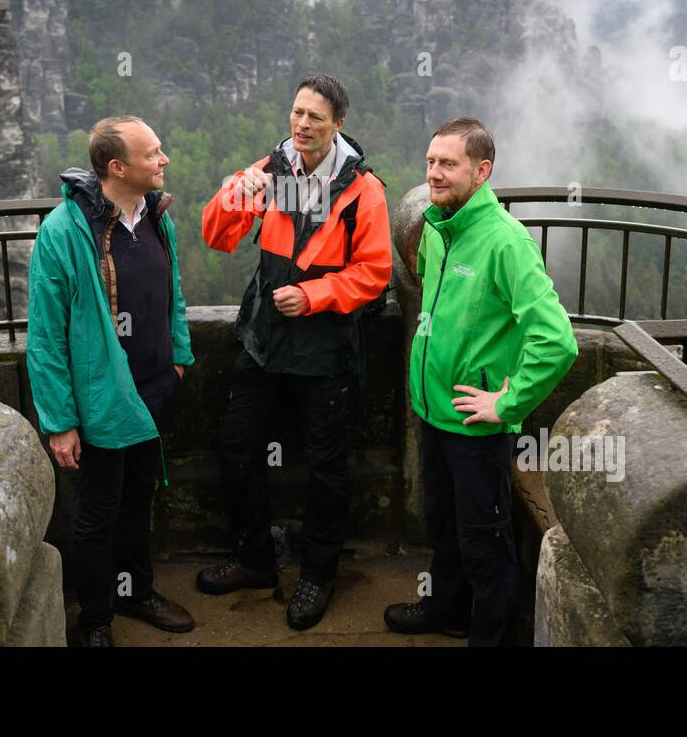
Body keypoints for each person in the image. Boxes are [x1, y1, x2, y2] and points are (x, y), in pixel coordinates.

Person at [195, 74, 392, 630]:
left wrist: (312, 296)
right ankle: (255, 559)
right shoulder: (272, 170)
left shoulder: (361, 189)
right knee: (236, 444)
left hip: (324, 346)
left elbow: (374, 274)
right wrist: (239, 191)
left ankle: (318, 574)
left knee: (326, 465)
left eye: (316, 117)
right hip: (263, 340)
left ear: (338, 125)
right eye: (297, 113)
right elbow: (217, 236)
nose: (302, 124)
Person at [383, 116, 577, 646]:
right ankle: (445, 608)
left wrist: (508, 401)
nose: (435, 174)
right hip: (432, 412)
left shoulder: (506, 242)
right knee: (442, 522)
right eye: (430, 162)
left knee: (485, 545)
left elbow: (557, 340)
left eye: (448, 164)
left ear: (482, 170)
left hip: (476, 428)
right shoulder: (438, 229)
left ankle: (490, 640)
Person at [26, 115, 196, 648]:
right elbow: (46, 336)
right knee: (98, 512)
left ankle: (137, 592)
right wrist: (60, 421)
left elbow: (173, 290)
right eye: (153, 153)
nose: (164, 160)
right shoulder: (64, 232)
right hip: (102, 398)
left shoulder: (155, 216)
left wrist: (179, 355)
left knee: (138, 498)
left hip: (152, 391)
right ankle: (96, 620)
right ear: (118, 167)